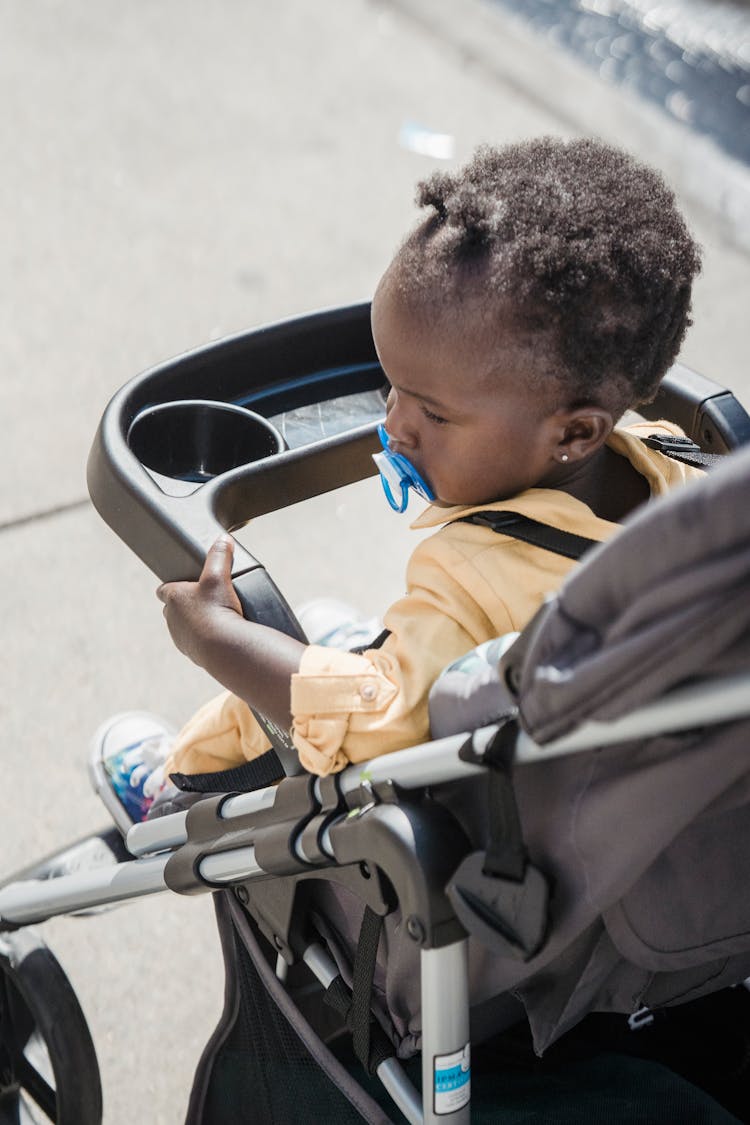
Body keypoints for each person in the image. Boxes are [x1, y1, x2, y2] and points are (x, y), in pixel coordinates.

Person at [92, 136, 704, 824]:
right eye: (393, 386)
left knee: (283, 698)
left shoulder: (475, 582)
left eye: (434, 411)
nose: (394, 422)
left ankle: (175, 784)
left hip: (414, 787)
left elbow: (372, 715)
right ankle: (367, 644)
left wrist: (215, 638)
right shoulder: (681, 467)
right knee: (359, 642)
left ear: (574, 432)